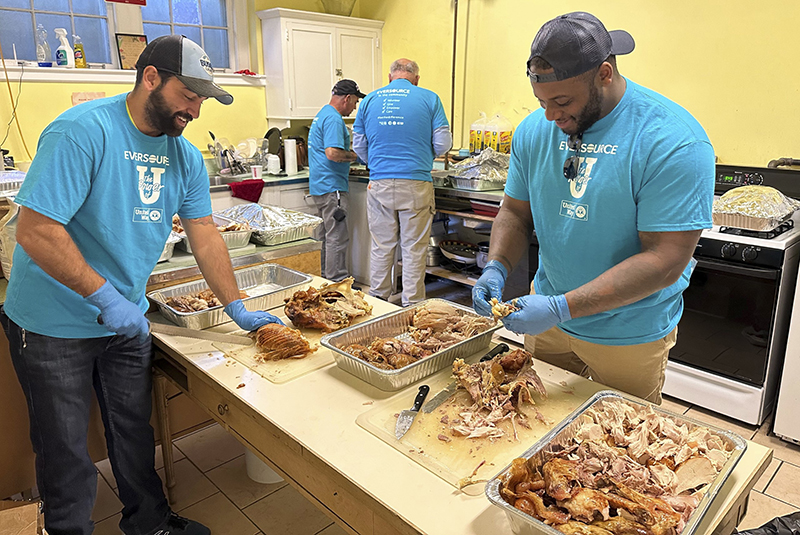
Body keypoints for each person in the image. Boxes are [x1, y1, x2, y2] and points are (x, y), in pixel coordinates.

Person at [0, 35, 283, 535]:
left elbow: (204, 232)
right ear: (150, 77)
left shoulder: (185, 156)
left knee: (133, 430)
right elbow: (36, 229)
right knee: (64, 447)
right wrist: (103, 296)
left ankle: (149, 523)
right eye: (188, 95)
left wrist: (236, 305)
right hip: (52, 322)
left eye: (202, 98)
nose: (194, 109)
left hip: (125, 321)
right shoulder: (81, 131)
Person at [472, 12, 715, 404]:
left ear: (604, 73)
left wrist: (561, 307)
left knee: (616, 449)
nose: (550, 115)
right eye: (541, 101)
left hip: (627, 332)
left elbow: (666, 258)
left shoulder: (672, 140)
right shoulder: (535, 130)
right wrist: (497, 266)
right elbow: (516, 213)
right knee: (536, 425)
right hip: (548, 320)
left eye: (563, 101)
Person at [353, 58, 452, 306]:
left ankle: (378, 299)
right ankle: (412, 304)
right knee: (413, 249)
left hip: (380, 183)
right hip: (416, 183)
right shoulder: (429, 98)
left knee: (381, 246)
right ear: (416, 79)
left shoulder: (369, 101)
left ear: (390, 78)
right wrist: (423, 155)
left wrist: (377, 164)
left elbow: (359, 146)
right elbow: (443, 144)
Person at [308, 79, 364, 281]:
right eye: (355, 102)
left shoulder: (322, 114)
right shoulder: (333, 119)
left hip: (320, 186)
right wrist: (355, 156)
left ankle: (324, 281)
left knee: (325, 237)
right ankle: (337, 283)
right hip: (333, 188)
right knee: (337, 238)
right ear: (347, 98)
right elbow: (332, 153)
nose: (355, 107)